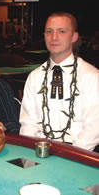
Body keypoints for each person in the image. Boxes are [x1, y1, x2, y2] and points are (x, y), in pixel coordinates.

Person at [19, 12, 99, 152]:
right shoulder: (34, 77)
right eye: (49, 31)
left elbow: (93, 127)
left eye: (61, 31)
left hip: (78, 157)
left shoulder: (91, 76)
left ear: (74, 36)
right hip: (38, 155)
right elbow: (28, 124)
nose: (54, 37)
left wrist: (69, 157)